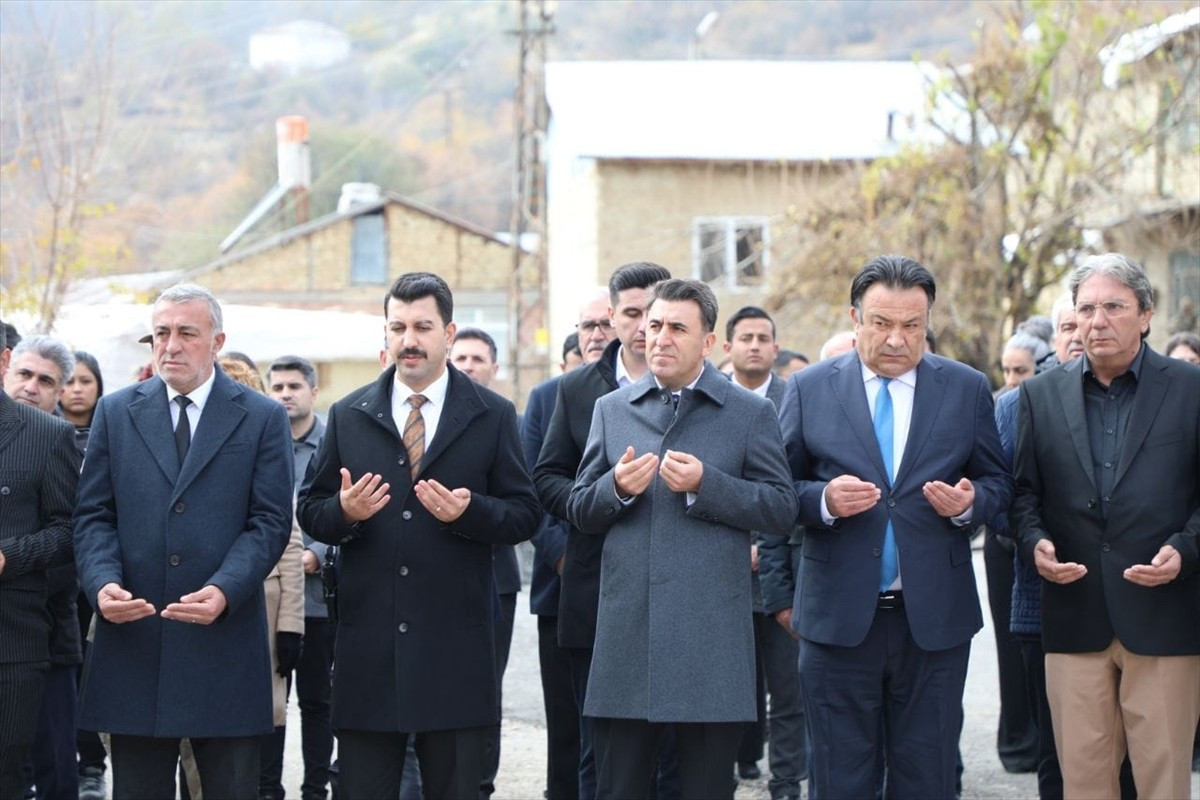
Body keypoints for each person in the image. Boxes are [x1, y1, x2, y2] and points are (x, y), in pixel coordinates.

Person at [297, 272, 540, 800]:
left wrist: (470, 511)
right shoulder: (349, 413)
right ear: (385, 335)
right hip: (370, 650)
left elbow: (526, 514)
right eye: (398, 327)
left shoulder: (491, 414)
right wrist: (344, 511)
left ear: (448, 334)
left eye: (423, 327)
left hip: (456, 648)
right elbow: (311, 512)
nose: (409, 340)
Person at [779, 254, 1011, 799]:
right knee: (840, 780)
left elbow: (999, 485)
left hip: (932, 622)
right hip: (837, 622)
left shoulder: (965, 387)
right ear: (855, 318)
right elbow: (775, 494)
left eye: (912, 326)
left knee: (927, 779)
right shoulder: (808, 389)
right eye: (881, 323)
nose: (896, 340)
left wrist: (969, 502)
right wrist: (824, 501)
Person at [566, 278, 796, 800]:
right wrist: (615, 489)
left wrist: (707, 485)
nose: (660, 338)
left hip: (709, 647)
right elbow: (579, 509)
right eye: (653, 326)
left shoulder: (750, 413)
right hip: (628, 641)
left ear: (709, 342)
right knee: (618, 790)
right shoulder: (614, 409)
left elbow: (782, 508)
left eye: (676, 328)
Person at [74, 283, 294, 800]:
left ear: (217, 341)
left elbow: (268, 522)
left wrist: (225, 589)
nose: (170, 345)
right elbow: (94, 517)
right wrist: (102, 583)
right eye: (160, 333)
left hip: (224, 643)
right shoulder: (116, 411)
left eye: (186, 333)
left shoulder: (261, 417)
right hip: (137, 638)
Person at [1013, 253, 1200, 800]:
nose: (1097, 321)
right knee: (1085, 783)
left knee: (1163, 784)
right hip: (1074, 614)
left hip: (1165, 616)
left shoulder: (1191, 390)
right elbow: (1024, 494)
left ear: (1145, 315)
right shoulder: (1040, 395)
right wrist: (1034, 543)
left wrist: (1186, 550)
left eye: (1113, 307)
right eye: (1086, 308)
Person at [534, 261, 672, 800]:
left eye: (653, 315)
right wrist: (600, 498)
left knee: (672, 750)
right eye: (631, 314)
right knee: (602, 748)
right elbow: (545, 478)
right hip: (596, 589)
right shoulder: (574, 391)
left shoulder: (698, 386)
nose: (643, 328)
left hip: (677, 593)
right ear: (610, 319)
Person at [522, 293, 614, 800]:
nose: (597, 333)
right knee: (567, 722)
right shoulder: (550, 396)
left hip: (621, 581)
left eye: (606, 323)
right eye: (588, 325)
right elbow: (535, 485)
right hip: (563, 587)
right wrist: (561, 554)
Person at [723, 306, 807, 800]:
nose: (754, 345)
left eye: (763, 338)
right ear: (728, 345)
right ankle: (733, 763)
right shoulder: (708, 400)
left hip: (782, 566)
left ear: (776, 348)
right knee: (731, 682)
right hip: (722, 568)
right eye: (745, 337)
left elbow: (791, 482)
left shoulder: (792, 399)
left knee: (787, 685)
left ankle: (787, 779)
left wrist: (764, 543)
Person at [217, 355, 306, 800]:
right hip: (201, 608)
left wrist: (290, 623)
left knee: (264, 741)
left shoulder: (262, 439)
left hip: (264, 611)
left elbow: (287, 540)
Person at [0, 321, 81, 800]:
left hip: (13, 638)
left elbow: (70, 529)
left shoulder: (46, 434)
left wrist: (8, 556)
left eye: (44, 379)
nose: (33, 387)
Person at [448, 326, 525, 800]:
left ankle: (480, 783)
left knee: (483, 689)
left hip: (494, 576)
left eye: (479, 359)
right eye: (462, 358)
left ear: (494, 369)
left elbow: (523, 503)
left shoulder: (501, 420)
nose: (469, 366)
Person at [266, 355, 336, 800]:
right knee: (272, 702)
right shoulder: (260, 440)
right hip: (272, 597)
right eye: (278, 387)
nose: (286, 394)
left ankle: (316, 788)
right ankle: (267, 787)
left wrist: (316, 553)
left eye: (294, 386)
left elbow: (352, 509)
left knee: (318, 701)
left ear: (313, 391)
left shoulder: (335, 442)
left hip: (321, 597)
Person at [60, 351, 104, 458]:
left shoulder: (112, 433)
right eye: (69, 382)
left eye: (85, 381)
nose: (77, 389)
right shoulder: (44, 433)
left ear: (99, 386)